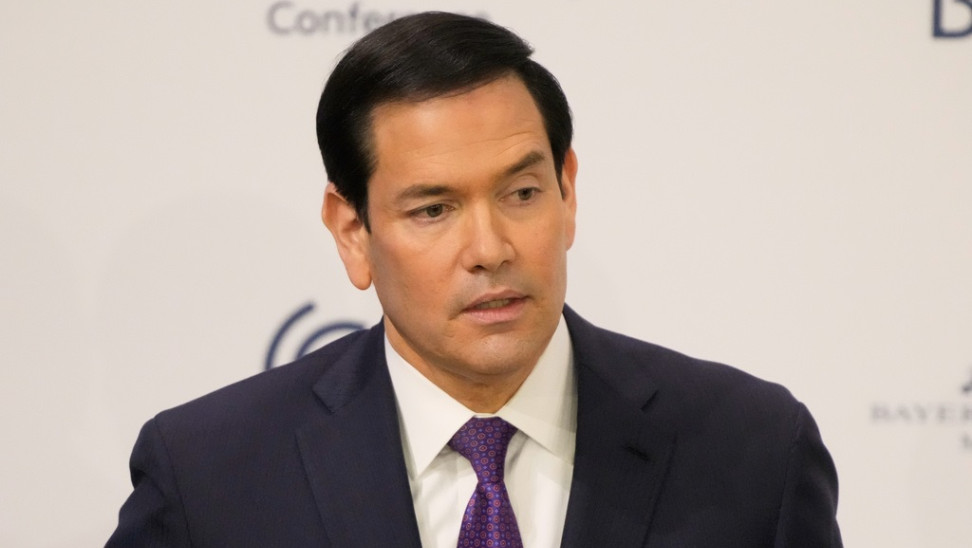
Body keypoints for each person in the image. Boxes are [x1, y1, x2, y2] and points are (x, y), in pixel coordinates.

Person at [108, 11, 842, 547]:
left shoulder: (752, 451)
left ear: (568, 192)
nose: (489, 249)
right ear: (352, 231)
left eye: (522, 193)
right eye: (433, 209)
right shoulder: (211, 476)